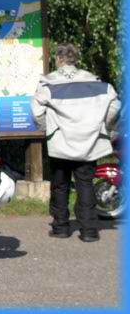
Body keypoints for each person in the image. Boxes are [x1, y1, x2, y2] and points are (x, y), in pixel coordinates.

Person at [31, 42, 121, 243]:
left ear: (58, 59)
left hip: (60, 143)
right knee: (85, 184)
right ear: (76, 59)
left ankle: (61, 227)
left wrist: (48, 130)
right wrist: (104, 127)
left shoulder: (48, 84)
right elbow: (115, 107)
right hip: (90, 143)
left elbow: (36, 112)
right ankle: (89, 231)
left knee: (60, 185)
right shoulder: (97, 83)